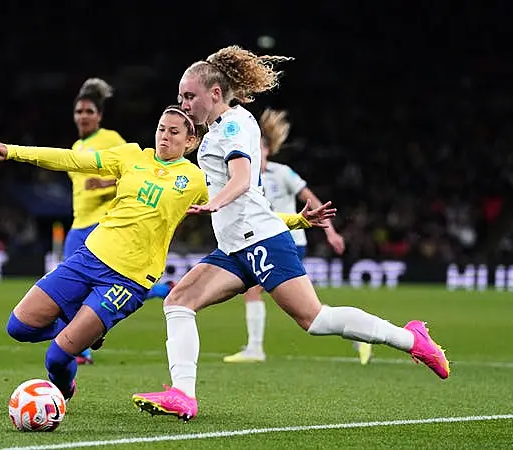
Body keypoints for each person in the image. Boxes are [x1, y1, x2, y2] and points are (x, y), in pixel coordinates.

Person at [132, 46, 450, 422]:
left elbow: (242, 178)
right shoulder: (220, 127)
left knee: (315, 320)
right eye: (181, 96)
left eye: (189, 95)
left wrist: (215, 204)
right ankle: (183, 395)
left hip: (260, 240)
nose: (182, 103)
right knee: (178, 302)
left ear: (214, 94)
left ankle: (412, 339)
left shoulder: (232, 126)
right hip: (235, 247)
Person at [0, 105, 332, 402]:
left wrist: (299, 220)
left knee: (57, 356)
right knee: (19, 327)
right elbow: (72, 159)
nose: (164, 136)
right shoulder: (131, 156)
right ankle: (85, 332)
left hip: (127, 279)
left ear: (191, 141)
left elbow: (244, 210)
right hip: (88, 258)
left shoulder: (195, 180)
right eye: (162, 129)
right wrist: (12, 150)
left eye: (175, 132)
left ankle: (60, 391)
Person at [222, 108, 372, 366]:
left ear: (267, 150)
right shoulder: (245, 177)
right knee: (302, 305)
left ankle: (256, 349)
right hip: (263, 239)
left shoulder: (283, 173)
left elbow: (310, 198)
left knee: (256, 290)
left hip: (288, 240)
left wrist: (331, 232)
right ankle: (359, 333)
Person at [65, 78, 126, 365]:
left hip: (101, 222)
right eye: (79, 112)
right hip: (78, 224)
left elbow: (133, 173)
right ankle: (164, 290)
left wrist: (103, 183)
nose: (83, 116)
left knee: (97, 283)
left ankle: (81, 349)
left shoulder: (111, 139)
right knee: (73, 285)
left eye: (89, 111)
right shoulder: (77, 146)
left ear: (99, 115)